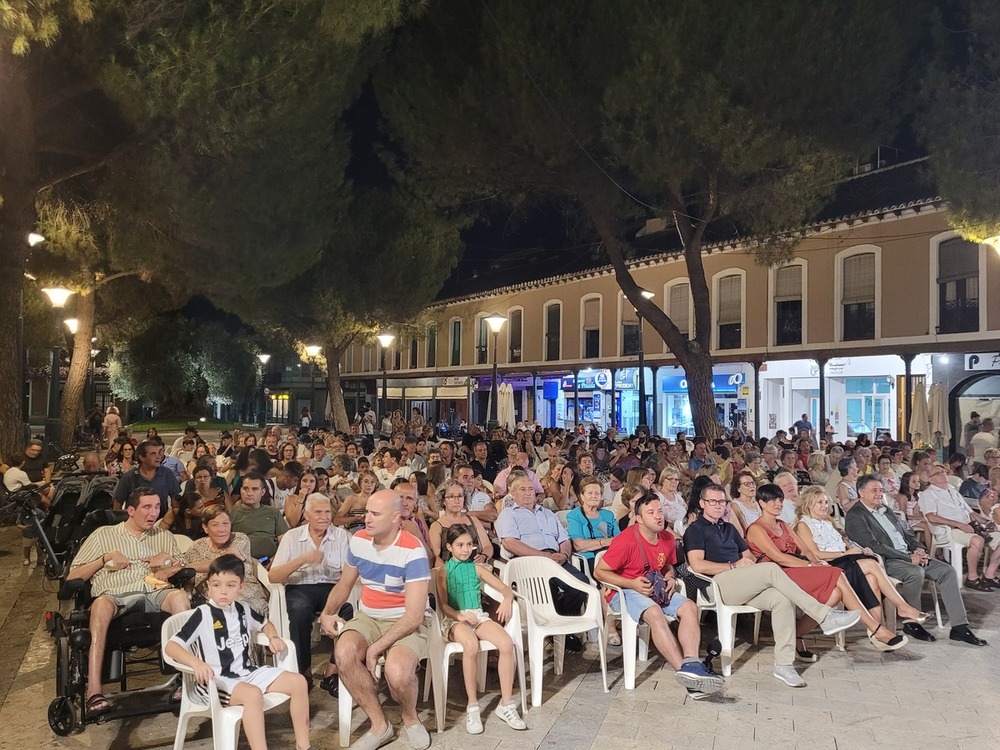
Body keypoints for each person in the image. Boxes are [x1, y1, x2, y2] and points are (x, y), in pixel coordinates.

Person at [683, 483, 863, 688]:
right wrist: (733, 565)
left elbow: (748, 555)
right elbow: (697, 565)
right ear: (702, 503)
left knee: (781, 599)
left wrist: (747, 564)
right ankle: (825, 615)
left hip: (741, 580)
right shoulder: (696, 529)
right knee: (772, 568)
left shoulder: (729, 528)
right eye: (712, 501)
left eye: (722, 501)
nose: (718, 505)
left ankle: (784, 665)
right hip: (716, 583)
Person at [319, 490, 433, 750]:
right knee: (344, 652)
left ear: (395, 517)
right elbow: (344, 584)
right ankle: (379, 725)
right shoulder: (358, 540)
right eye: (366, 512)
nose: (366, 518)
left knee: (398, 672)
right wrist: (327, 612)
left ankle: (410, 718)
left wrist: (376, 648)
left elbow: (414, 615)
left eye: (374, 514)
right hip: (369, 615)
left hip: (405, 621)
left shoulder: (412, 550)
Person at [165, 554, 312, 750]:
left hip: (247, 672)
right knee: (252, 696)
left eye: (230, 585)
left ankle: (304, 746)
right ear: (208, 585)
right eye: (217, 585)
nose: (223, 591)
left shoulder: (243, 609)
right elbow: (171, 646)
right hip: (217, 682)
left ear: (240, 587)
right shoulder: (202, 615)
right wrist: (195, 662)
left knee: (299, 682)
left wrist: (273, 636)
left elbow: (265, 624)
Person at [67, 489, 190, 714]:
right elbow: (73, 577)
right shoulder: (103, 535)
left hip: (154, 593)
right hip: (114, 594)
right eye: (147, 507)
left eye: (156, 507)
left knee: (181, 597)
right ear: (131, 510)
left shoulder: (163, 536)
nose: (153, 513)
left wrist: (168, 563)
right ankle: (94, 691)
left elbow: (183, 567)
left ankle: (187, 680)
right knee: (101, 605)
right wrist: (104, 559)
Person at [745, 483, 906, 652]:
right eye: (772, 500)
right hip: (777, 574)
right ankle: (877, 630)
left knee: (835, 594)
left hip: (796, 568)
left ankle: (797, 635)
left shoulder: (783, 525)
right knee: (836, 573)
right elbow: (778, 557)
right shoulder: (756, 528)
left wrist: (817, 562)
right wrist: (810, 565)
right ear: (761, 503)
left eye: (780, 499)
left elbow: (806, 549)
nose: (778, 504)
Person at [594, 491, 725, 697]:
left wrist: (671, 577)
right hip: (624, 590)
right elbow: (599, 571)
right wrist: (632, 583)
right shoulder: (626, 540)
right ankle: (686, 674)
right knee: (654, 612)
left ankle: (691, 663)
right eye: (651, 512)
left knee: (690, 607)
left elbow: (668, 567)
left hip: (655, 588)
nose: (658, 516)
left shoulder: (666, 537)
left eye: (660, 511)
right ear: (638, 519)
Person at [844, 474, 988, 646]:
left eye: (881, 490)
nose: (879, 494)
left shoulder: (886, 509)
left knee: (947, 571)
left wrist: (919, 548)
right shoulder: (856, 515)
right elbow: (874, 545)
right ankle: (911, 623)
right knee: (915, 572)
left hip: (908, 555)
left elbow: (906, 534)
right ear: (861, 493)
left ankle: (959, 626)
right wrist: (908, 558)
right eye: (874, 490)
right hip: (885, 561)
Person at [793, 485, 927, 629]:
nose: (825, 506)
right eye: (820, 502)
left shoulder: (827, 522)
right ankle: (903, 607)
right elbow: (816, 554)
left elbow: (844, 544)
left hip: (844, 560)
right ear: (808, 504)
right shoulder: (803, 525)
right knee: (871, 564)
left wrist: (859, 549)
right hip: (828, 567)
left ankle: (876, 630)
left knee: (872, 579)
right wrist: (845, 554)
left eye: (826, 502)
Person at [435, 525, 527, 733]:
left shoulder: (477, 568)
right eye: (460, 545)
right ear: (449, 547)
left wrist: (507, 598)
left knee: (505, 643)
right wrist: (458, 616)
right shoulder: (443, 571)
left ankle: (506, 703)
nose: (465, 549)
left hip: (477, 616)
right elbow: (443, 606)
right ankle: (473, 706)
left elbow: (504, 588)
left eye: (469, 544)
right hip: (455, 619)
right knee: (471, 644)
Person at [495, 474, 591, 652]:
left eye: (530, 489)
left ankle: (559, 628)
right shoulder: (508, 514)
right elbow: (510, 543)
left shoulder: (547, 513)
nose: (527, 493)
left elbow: (564, 539)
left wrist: (563, 554)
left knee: (582, 585)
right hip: (529, 563)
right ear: (513, 493)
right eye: (522, 490)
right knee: (547, 594)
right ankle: (558, 632)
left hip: (555, 560)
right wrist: (540, 555)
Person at [269, 494, 353, 695]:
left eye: (327, 512)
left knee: (349, 613)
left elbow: (348, 574)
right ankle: (303, 671)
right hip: (300, 588)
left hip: (331, 588)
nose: (324, 517)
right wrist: (303, 559)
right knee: (299, 613)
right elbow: (273, 576)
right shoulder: (292, 536)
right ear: (306, 515)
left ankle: (331, 672)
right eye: (318, 512)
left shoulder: (341, 536)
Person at [918, 464, 1000, 590]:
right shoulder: (928, 494)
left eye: (944, 472)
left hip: (968, 526)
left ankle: (989, 574)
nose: (943, 474)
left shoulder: (952, 490)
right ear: (930, 479)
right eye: (938, 473)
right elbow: (931, 517)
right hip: (949, 529)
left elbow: (970, 513)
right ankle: (972, 578)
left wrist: (986, 522)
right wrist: (959, 524)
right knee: (977, 540)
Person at [182, 504, 269, 615]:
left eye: (225, 523)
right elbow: (190, 578)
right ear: (205, 528)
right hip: (215, 599)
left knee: (236, 610)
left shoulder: (239, 538)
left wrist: (183, 566)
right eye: (215, 525)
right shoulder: (196, 547)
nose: (222, 529)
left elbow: (225, 563)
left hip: (246, 594)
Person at [428, 479, 493, 568]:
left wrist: (484, 556)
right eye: (451, 497)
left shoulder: (473, 520)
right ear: (443, 501)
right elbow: (435, 557)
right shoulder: (437, 526)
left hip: (475, 568)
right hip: (450, 571)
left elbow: (487, 546)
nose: (456, 500)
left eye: (460, 496)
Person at [112, 440, 181, 517]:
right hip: (136, 522)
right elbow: (117, 505)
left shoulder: (167, 473)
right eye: (153, 454)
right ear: (141, 457)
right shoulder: (128, 477)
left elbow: (175, 503)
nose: (158, 457)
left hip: (161, 522)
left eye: (159, 453)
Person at [230, 473, 289, 561]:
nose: (249, 493)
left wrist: (276, 559)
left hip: (271, 561)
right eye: (245, 489)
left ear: (263, 492)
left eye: (254, 489)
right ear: (241, 490)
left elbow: (284, 541)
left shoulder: (273, 512)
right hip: (240, 562)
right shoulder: (231, 514)